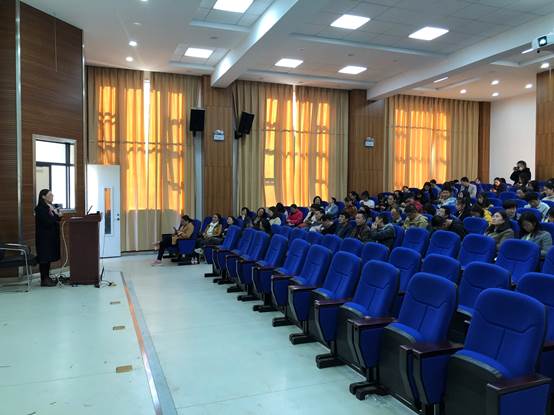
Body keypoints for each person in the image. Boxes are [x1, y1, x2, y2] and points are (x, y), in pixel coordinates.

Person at [35, 189, 62, 286]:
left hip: (51, 237)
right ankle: (44, 279)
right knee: (44, 258)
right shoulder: (40, 208)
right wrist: (56, 216)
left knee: (48, 257)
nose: (52, 196)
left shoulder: (50, 207)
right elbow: (48, 221)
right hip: (44, 238)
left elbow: (55, 219)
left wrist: (58, 216)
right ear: (43, 196)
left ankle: (47, 277)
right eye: (50, 195)